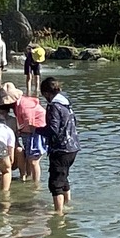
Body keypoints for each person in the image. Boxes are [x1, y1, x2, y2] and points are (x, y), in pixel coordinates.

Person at [40, 76, 79, 210]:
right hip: (73, 147)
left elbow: (53, 130)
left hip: (60, 149)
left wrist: (36, 130)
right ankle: (68, 205)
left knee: (55, 183)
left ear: (46, 93)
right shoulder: (66, 104)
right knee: (64, 178)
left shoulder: (54, 106)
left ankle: (59, 214)